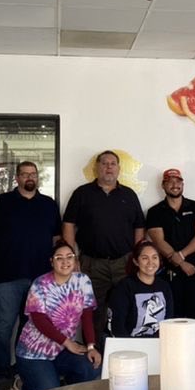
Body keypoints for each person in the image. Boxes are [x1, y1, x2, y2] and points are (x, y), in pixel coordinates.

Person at [0, 161, 61, 390]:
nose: (29, 178)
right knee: (3, 326)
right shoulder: (1, 203)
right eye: (24, 174)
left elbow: (57, 241)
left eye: (33, 174)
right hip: (8, 276)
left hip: (41, 280)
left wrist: (61, 271)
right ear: (17, 178)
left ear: (37, 177)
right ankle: (0, 374)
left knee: (31, 328)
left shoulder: (48, 205)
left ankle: (24, 372)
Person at [61, 150, 145, 350]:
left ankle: (127, 352)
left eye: (113, 164)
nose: (109, 167)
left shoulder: (129, 195)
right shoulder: (82, 194)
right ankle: (95, 354)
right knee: (93, 311)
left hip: (124, 263)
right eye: (104, 163)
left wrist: (137, 257)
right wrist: (72, 257)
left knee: (127, 308)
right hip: (92, 263)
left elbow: (139, 227)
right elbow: (68, 224)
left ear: (119, 169)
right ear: (97, 167)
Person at [15, 241, 102, 390]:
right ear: (52, 261)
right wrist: (67, 342)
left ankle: (57, 382)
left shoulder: (83, 280)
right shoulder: (40, 284)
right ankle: (24, 386)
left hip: (61, 350)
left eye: (69, 257)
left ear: (75, 260)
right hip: (35, 352)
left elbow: (87, 315)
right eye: (59, 258)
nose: (65, 262)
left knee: (91, 367)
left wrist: (91, 347)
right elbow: (39, 320)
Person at [145, 168, 195, 320]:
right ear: (163, 185)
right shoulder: (155, 211)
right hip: (168, 274)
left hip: (194, 271)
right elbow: (158, 241)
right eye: (170, 182)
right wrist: (181, 263)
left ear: (183, 184)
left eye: (178, 181)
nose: (175, 185)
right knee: (170, 320)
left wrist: (181, 256)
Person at [108, 241, 174, 337]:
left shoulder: (164, 286)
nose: (150, 262)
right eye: (145, 258)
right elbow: (118, 325)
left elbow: (169, 320)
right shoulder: (125, 287)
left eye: (154, 257)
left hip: (159, 342)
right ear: (136, 261)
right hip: (129, 342)